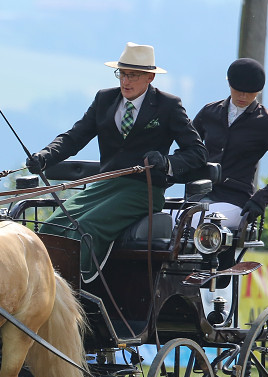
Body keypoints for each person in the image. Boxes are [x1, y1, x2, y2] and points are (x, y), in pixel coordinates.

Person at [27, 42, 207, 283]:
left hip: (143, 190)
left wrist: (166, 161)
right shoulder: (104, 99)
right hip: (104, 185)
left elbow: (197, 152)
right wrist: (46, 155)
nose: (126, 81)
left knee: (84, 229)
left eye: (133, 75)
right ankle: (40, 289)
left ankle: (76, 292)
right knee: (51, 227)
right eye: (122, 74)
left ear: (150, 77)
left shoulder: (168, 106)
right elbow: (74, 137)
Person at [191, 58, 268, 229]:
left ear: (259, 91)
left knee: (197, 222)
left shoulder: (267, 122)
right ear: (229, 83)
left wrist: (261, 198)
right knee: (166, 220)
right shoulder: (209, 112)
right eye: (238, 90)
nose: (243, 96)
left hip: (236, 201)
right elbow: (188, 149)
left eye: (250, 92)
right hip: (199, 195)